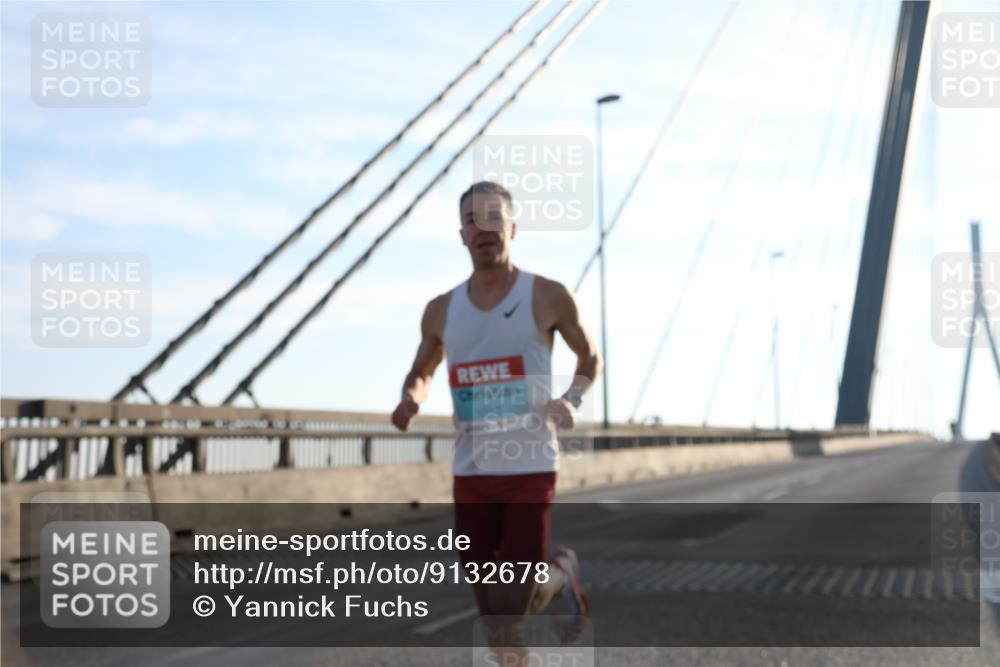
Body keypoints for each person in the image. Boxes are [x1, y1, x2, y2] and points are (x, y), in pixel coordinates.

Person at [391, 180, 602, 656]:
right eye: (472, 220)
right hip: (472, 473)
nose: (483, 229)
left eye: (493, 218)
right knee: (495, 620)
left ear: (512, 228)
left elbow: (590, 357)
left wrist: (571, 398)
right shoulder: (441, 310)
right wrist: (410, 400)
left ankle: (557, 574)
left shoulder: (546, 295)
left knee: (506, 608)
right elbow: (422, 370)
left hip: (530, 468)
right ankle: (554, 581)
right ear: (461, 235)